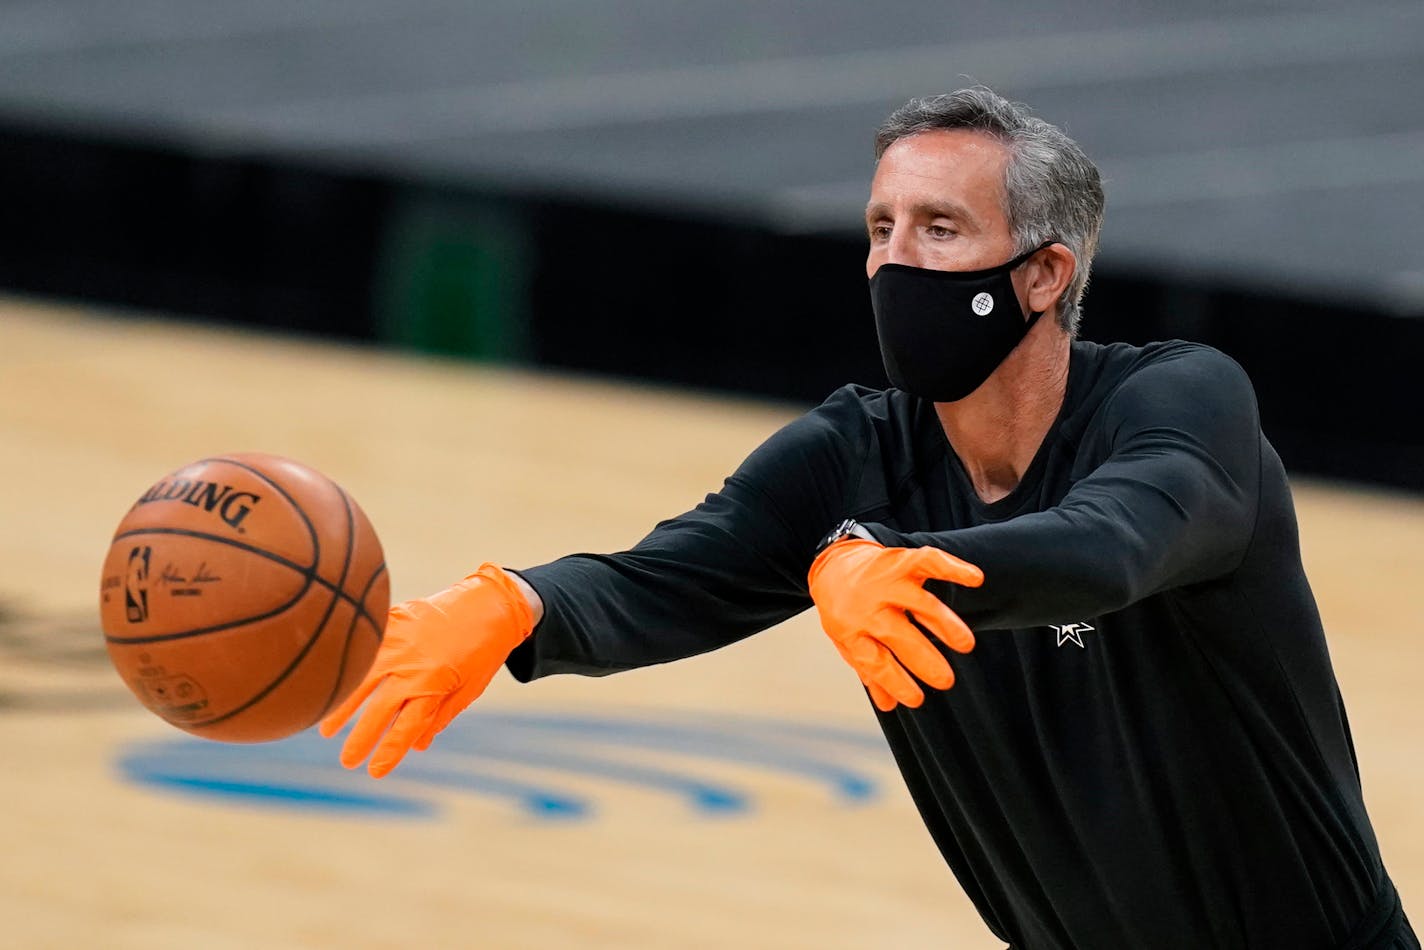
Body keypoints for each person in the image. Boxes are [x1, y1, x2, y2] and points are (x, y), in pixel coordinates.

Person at [320, 87, 1416, 950]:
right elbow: (665, 576)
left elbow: (1111, 544)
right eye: (879, 227)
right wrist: (515, 603)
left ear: (1041, 274)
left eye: (939, 228)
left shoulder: (1177, 403)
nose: (894, 259)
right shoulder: (852, 454)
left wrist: (894, 558)